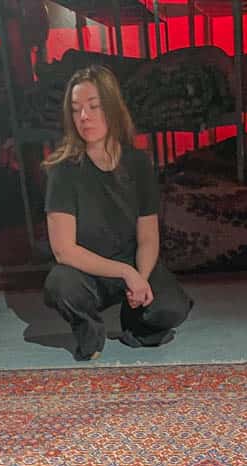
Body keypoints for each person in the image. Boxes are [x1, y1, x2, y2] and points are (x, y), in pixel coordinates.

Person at [42, 65, 193, 362]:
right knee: (60, 284)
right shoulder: (63, 170)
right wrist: (125, 273)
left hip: (132, 262)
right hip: (87, 271)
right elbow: (64, 250)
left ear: (112, 108)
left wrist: (140, 278)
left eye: (93, 106)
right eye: (76, 109)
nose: (84, 116)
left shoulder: (138, 163)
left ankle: (133, 317)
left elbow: (148, 237)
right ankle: (89, 329)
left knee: (171, 309)